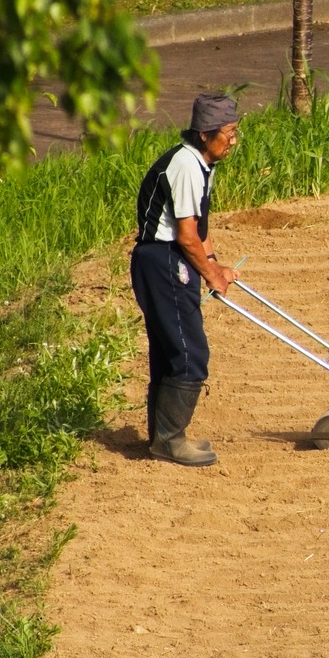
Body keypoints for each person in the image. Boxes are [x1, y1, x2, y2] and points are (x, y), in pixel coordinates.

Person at [132, 94, 242, 466]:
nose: (233, 140)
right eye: (229, 132)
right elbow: (184, 235)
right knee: (189, 351)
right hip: (162, 259)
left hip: (168, 259)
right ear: (205, 134)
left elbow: (198, 229)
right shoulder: (185, 165)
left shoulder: (200, 164)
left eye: (235, 132)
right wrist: (210, 274)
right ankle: (169, 440)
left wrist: (215, 266)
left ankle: (164, 436)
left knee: (170, 350)